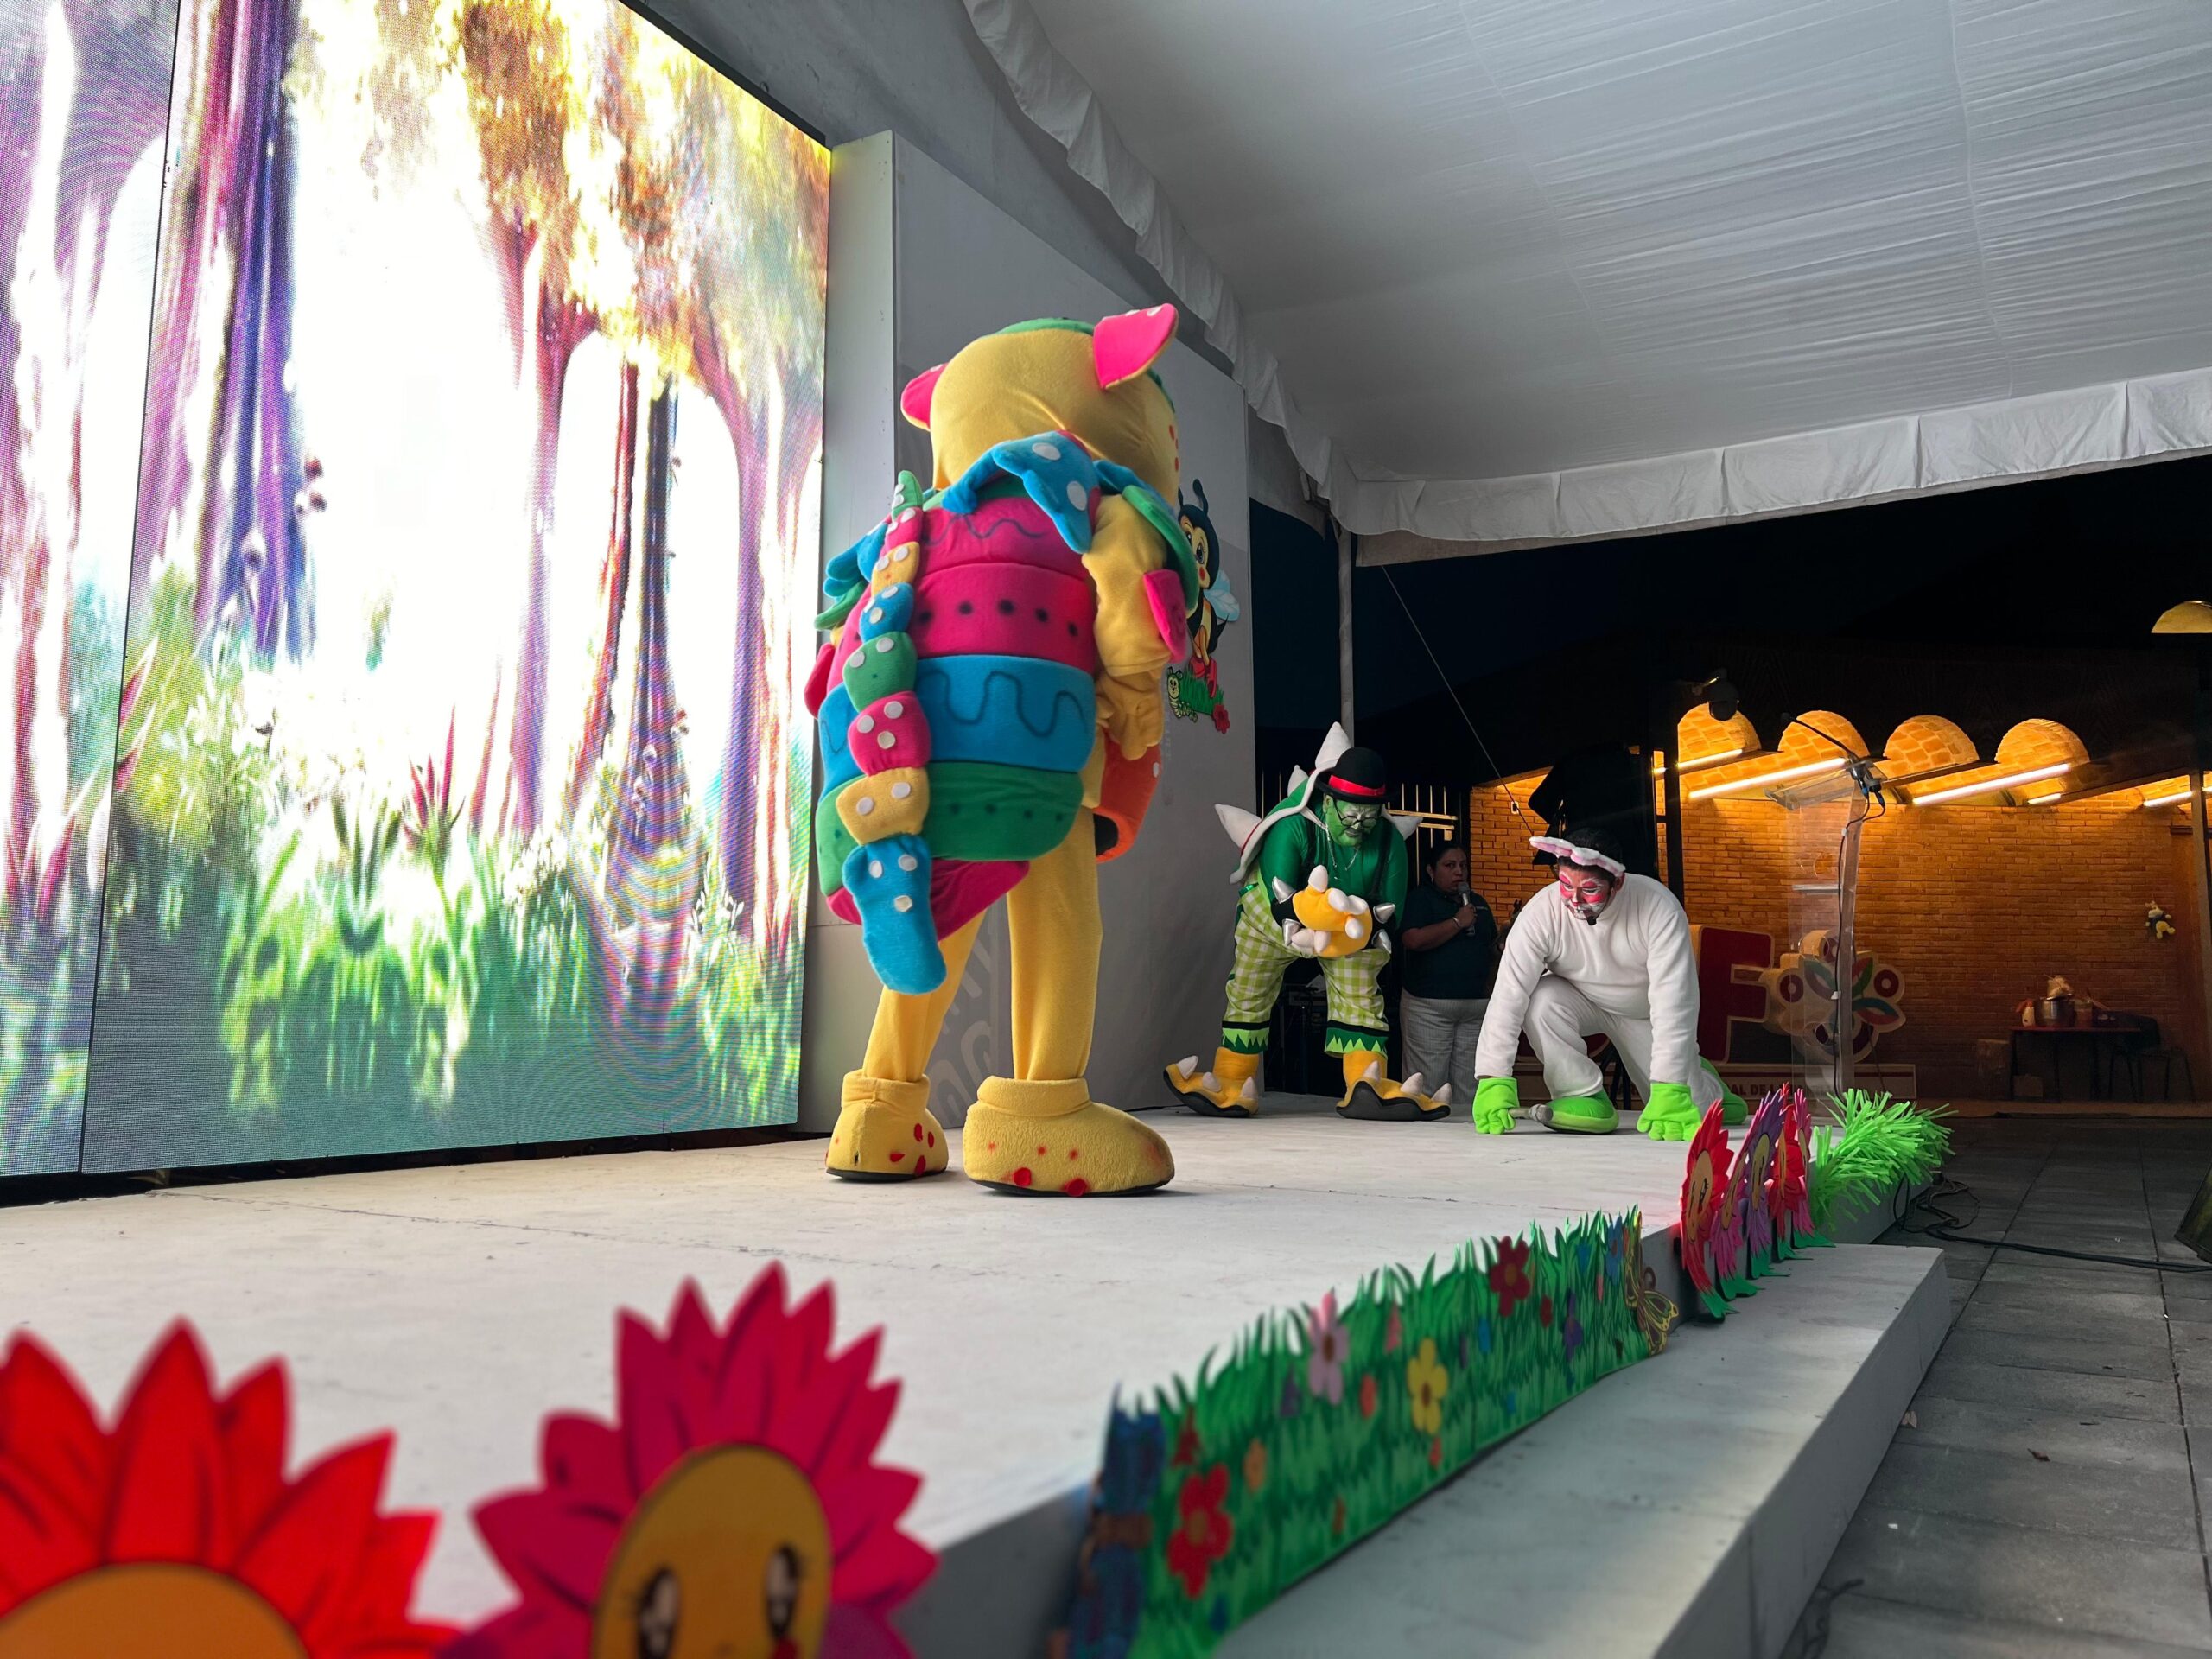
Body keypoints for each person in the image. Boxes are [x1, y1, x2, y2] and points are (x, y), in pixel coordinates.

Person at [1164, 725, 1445, 1122]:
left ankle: (1366, 1082)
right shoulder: (1292, 827)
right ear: (1327, 801)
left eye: (1368, 818)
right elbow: (1281, 898)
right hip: (1271, 918)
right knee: (1249, 989)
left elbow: (1390, 912)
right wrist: (1313, 917)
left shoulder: (1387, 841)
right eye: (1351, 815)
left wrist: (1358, 928)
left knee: (1361, 995)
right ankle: (1231, 1079)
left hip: (1352, 931)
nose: (1358, 826)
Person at [1470, 830, 1745, 1140]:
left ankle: (1709, 1084)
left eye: (1589, 889)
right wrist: (1493, 1077)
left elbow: (1674, 1001)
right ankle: (1579, 1092)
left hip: (1643, 1014)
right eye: (1566, 885)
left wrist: (1671, 1085)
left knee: (1694, 1107)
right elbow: (1509, 995)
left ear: (1618, 883)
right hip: (1578, 1000)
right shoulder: (1540, 913)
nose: (1574, 899)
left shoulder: (1659, 907)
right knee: (1540, 998)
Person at [1397, 841, 1496, 1115]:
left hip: (1475, 1007)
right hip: (1430, 1006)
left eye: (1463, 865)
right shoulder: (1420, 899)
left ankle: (1468, 1131)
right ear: (1431, 870)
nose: (1459, 872)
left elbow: (1489, 946)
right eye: (1450, 865)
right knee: (1427, 1083)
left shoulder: (1477, 903)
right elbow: (1412, 940)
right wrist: (1456, 923)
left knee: (1470, 1083)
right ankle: (1424, 1134)